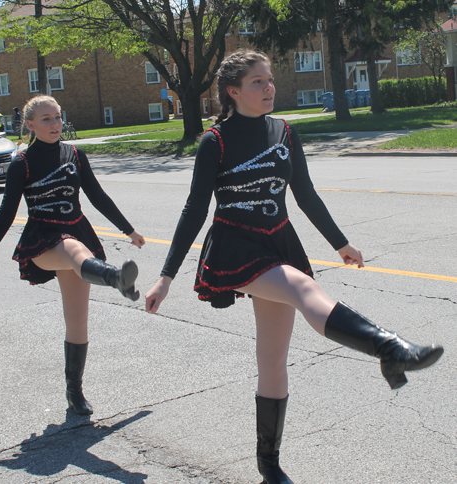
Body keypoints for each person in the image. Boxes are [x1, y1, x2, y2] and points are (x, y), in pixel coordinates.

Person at [145, 50, 443, 484]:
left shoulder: (284, 131)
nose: (268, 88)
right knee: (307, 292)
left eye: (269, 80)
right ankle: (390, 349)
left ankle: (269, 464)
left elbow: (304, 194)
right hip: (236, 245)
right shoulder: (217, 141)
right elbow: (194, 209)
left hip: (279, 239)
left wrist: (340, 242)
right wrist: (166, 276)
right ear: (234, 91)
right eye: (257, 82)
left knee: (272, 358)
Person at [0, 95, 145, 416]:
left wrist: (128, 230)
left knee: (77, 322)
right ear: (31, 126)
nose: (54, 124)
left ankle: (74, 391)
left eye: (58, 117)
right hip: (43, 241)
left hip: (76, 232)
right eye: (47, 119)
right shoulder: (21, 163)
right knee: (74, 247)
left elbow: (97, 196)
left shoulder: (75, 154)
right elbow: (6, 212)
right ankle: (115, 277)